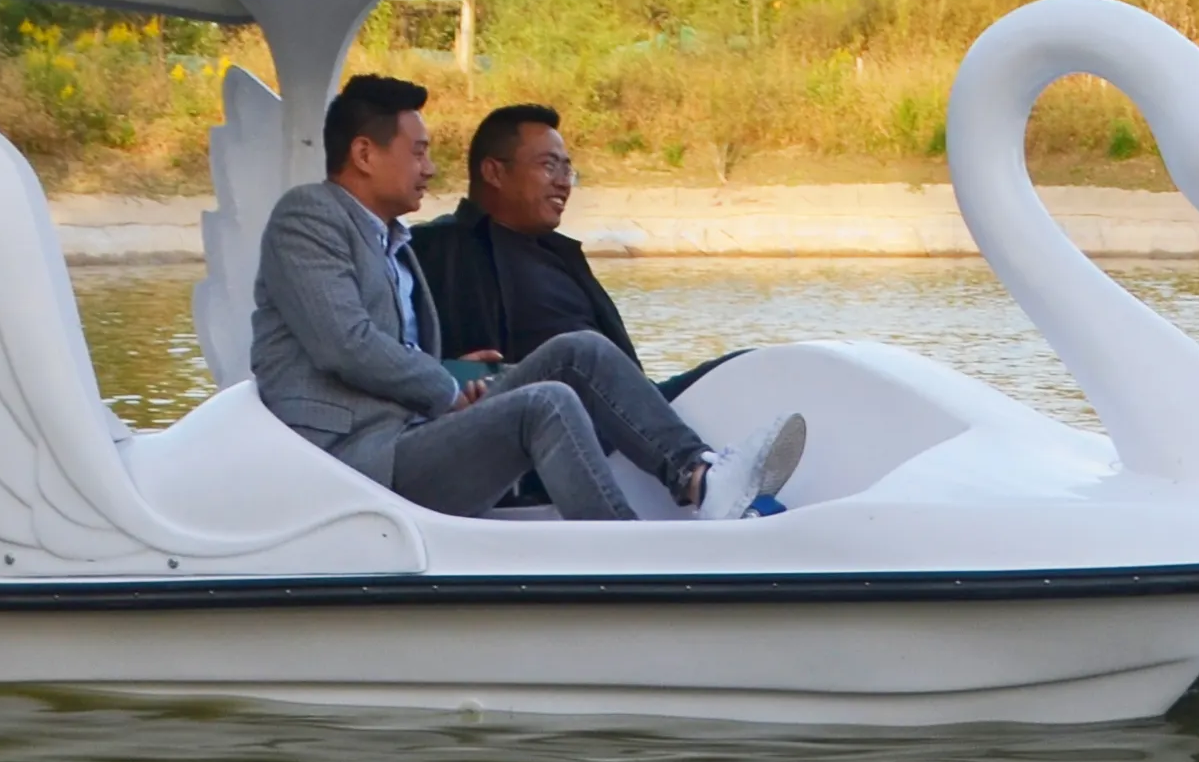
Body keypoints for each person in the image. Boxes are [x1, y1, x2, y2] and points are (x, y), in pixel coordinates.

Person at [252, 73, 801, 523]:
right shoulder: (309, 216)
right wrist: (443, 386)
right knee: (547, 402)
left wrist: (447, 373)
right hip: (354, 459)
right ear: (365, 154)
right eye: (418, 152)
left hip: (416, 433)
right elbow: (343, 344)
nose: (431, 168)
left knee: (577, 351)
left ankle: (699, 476)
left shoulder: (397, 243)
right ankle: (626, 556)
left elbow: (384, 350)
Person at [409, 102, 645, 373]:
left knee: (707, 374)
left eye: (567, 170)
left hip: (632, 397)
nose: (563, 182)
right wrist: (458, 376)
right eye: (549, 166)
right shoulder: (439, 248)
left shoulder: (560, 253)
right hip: (550, 404)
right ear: (494, 173)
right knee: (584, 349)